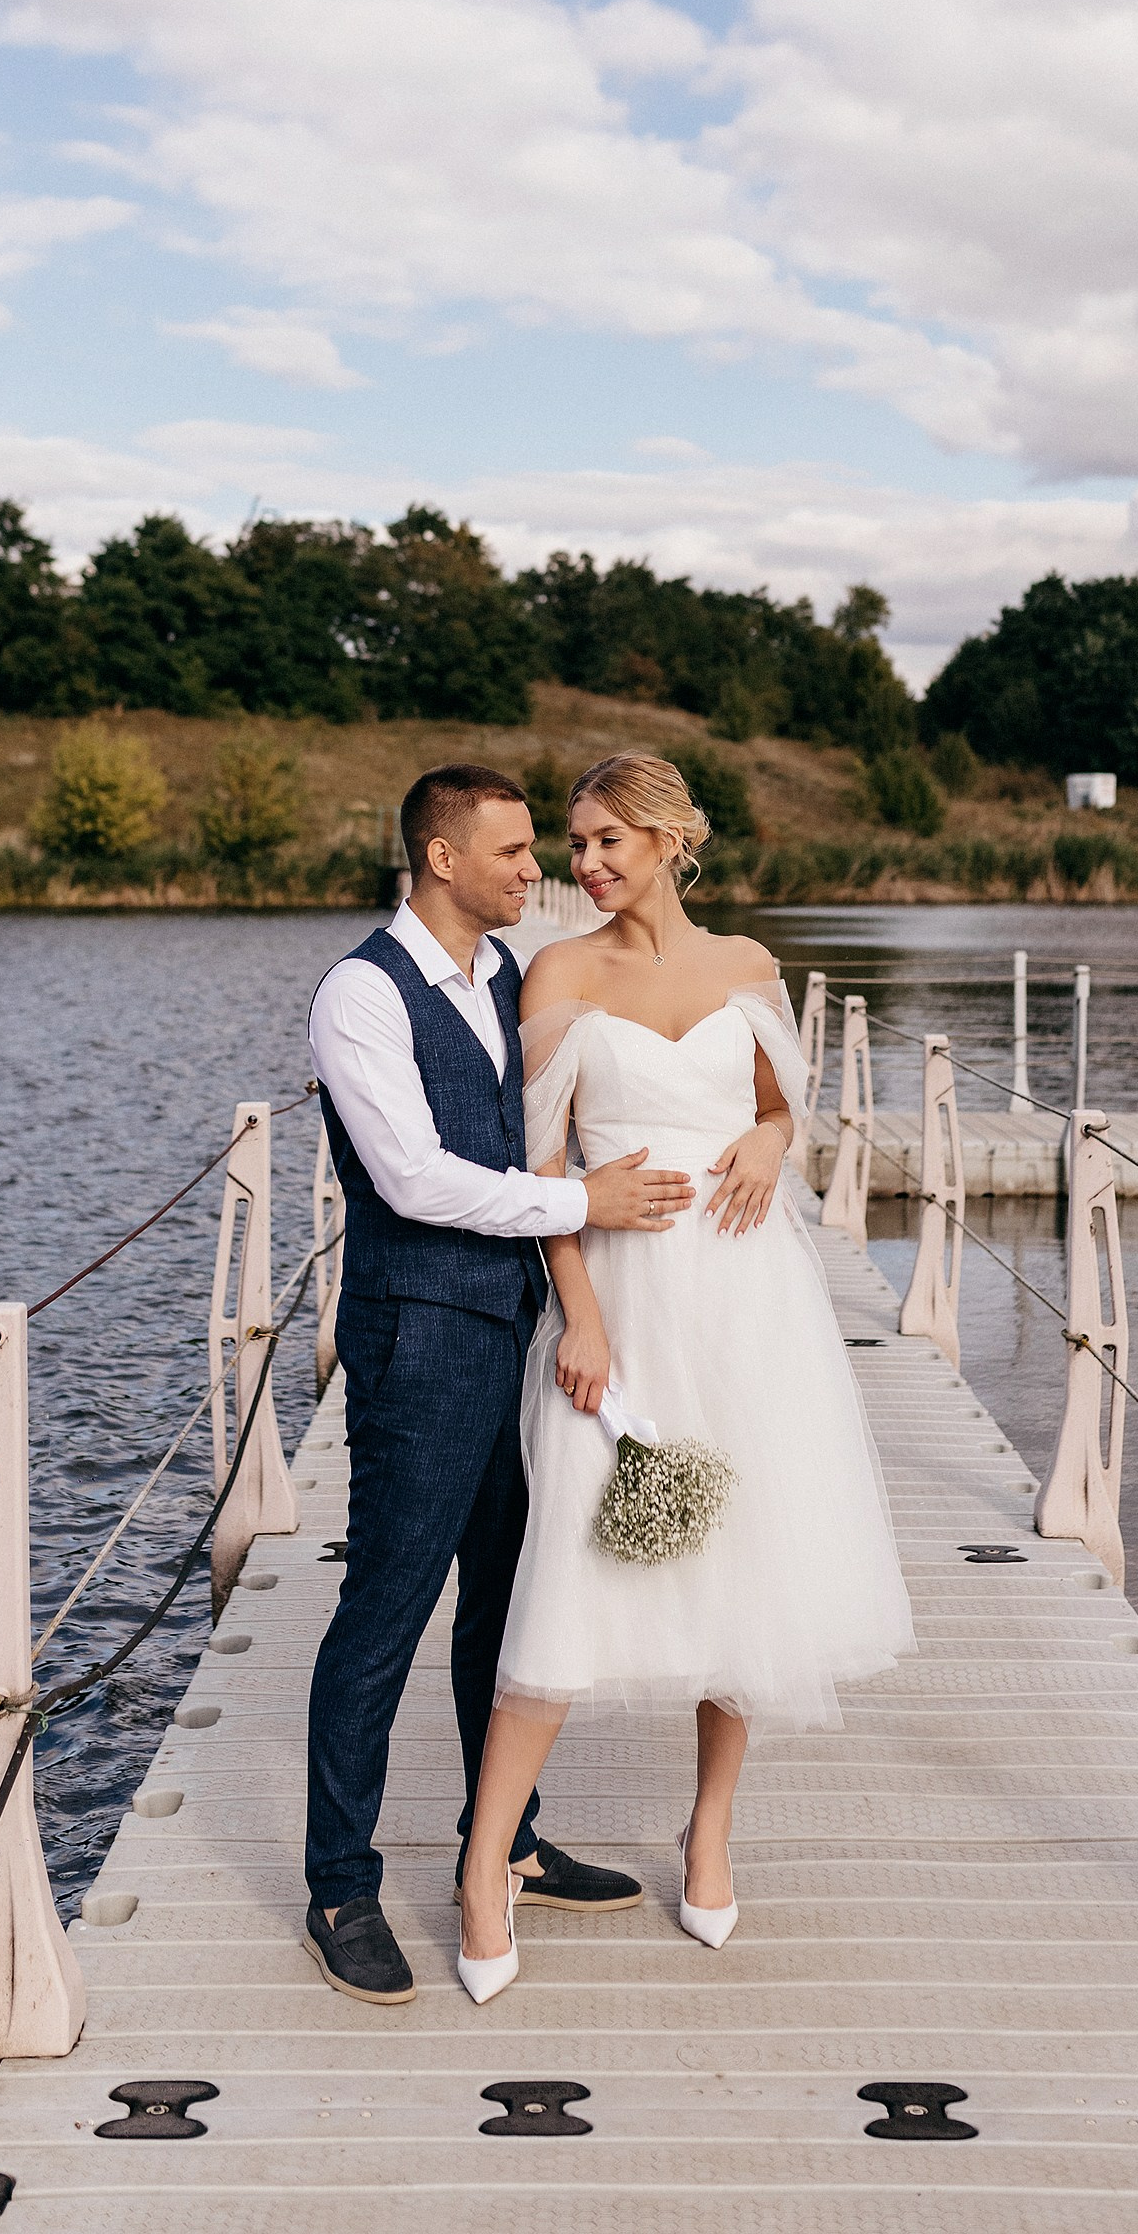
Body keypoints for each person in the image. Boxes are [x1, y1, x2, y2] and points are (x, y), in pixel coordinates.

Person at [454, 751, 914, 2001]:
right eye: (573, 844)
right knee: (570, 1575)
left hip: (747, 1293)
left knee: (736, 1566)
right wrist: (580, 1320)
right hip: (624, 1297)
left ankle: (707, 1831)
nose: (582, 865)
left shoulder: (747, 968)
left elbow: (776, 1109)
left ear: (667, 840)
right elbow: (544, 1169)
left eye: (605, 841)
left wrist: (768, 1143)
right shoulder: (558, 973)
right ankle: (484, 1868)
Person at [304, 760, 697, 2003]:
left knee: (503, 1606)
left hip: (515, 1333)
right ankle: (338, 1886)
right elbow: (414, 1180)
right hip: (419, 1339)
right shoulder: (360, 996)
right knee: (387, 1607)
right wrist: (583, 1200)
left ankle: (511, 1841)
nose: (539, 872)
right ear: (440, 859)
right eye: (517, 853)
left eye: (541, 850)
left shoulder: (509, 975)